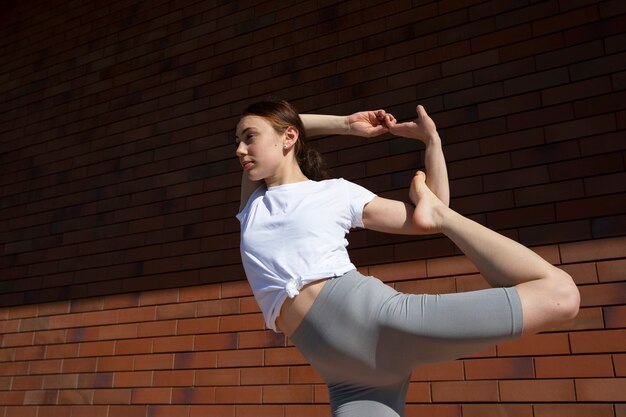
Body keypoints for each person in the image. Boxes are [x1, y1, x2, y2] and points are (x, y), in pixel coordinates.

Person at [234, 99, 580, 417]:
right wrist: (347, 125)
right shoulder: (252, 202)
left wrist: (432, 145)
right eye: (238, 140)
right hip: (348, 378)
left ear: (289, 137)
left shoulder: (335, 192)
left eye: (249, 137)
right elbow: (288, 123)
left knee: (561, 295)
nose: (240, 149)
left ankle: (456, 226)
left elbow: (427, 212)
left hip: (378, 321)